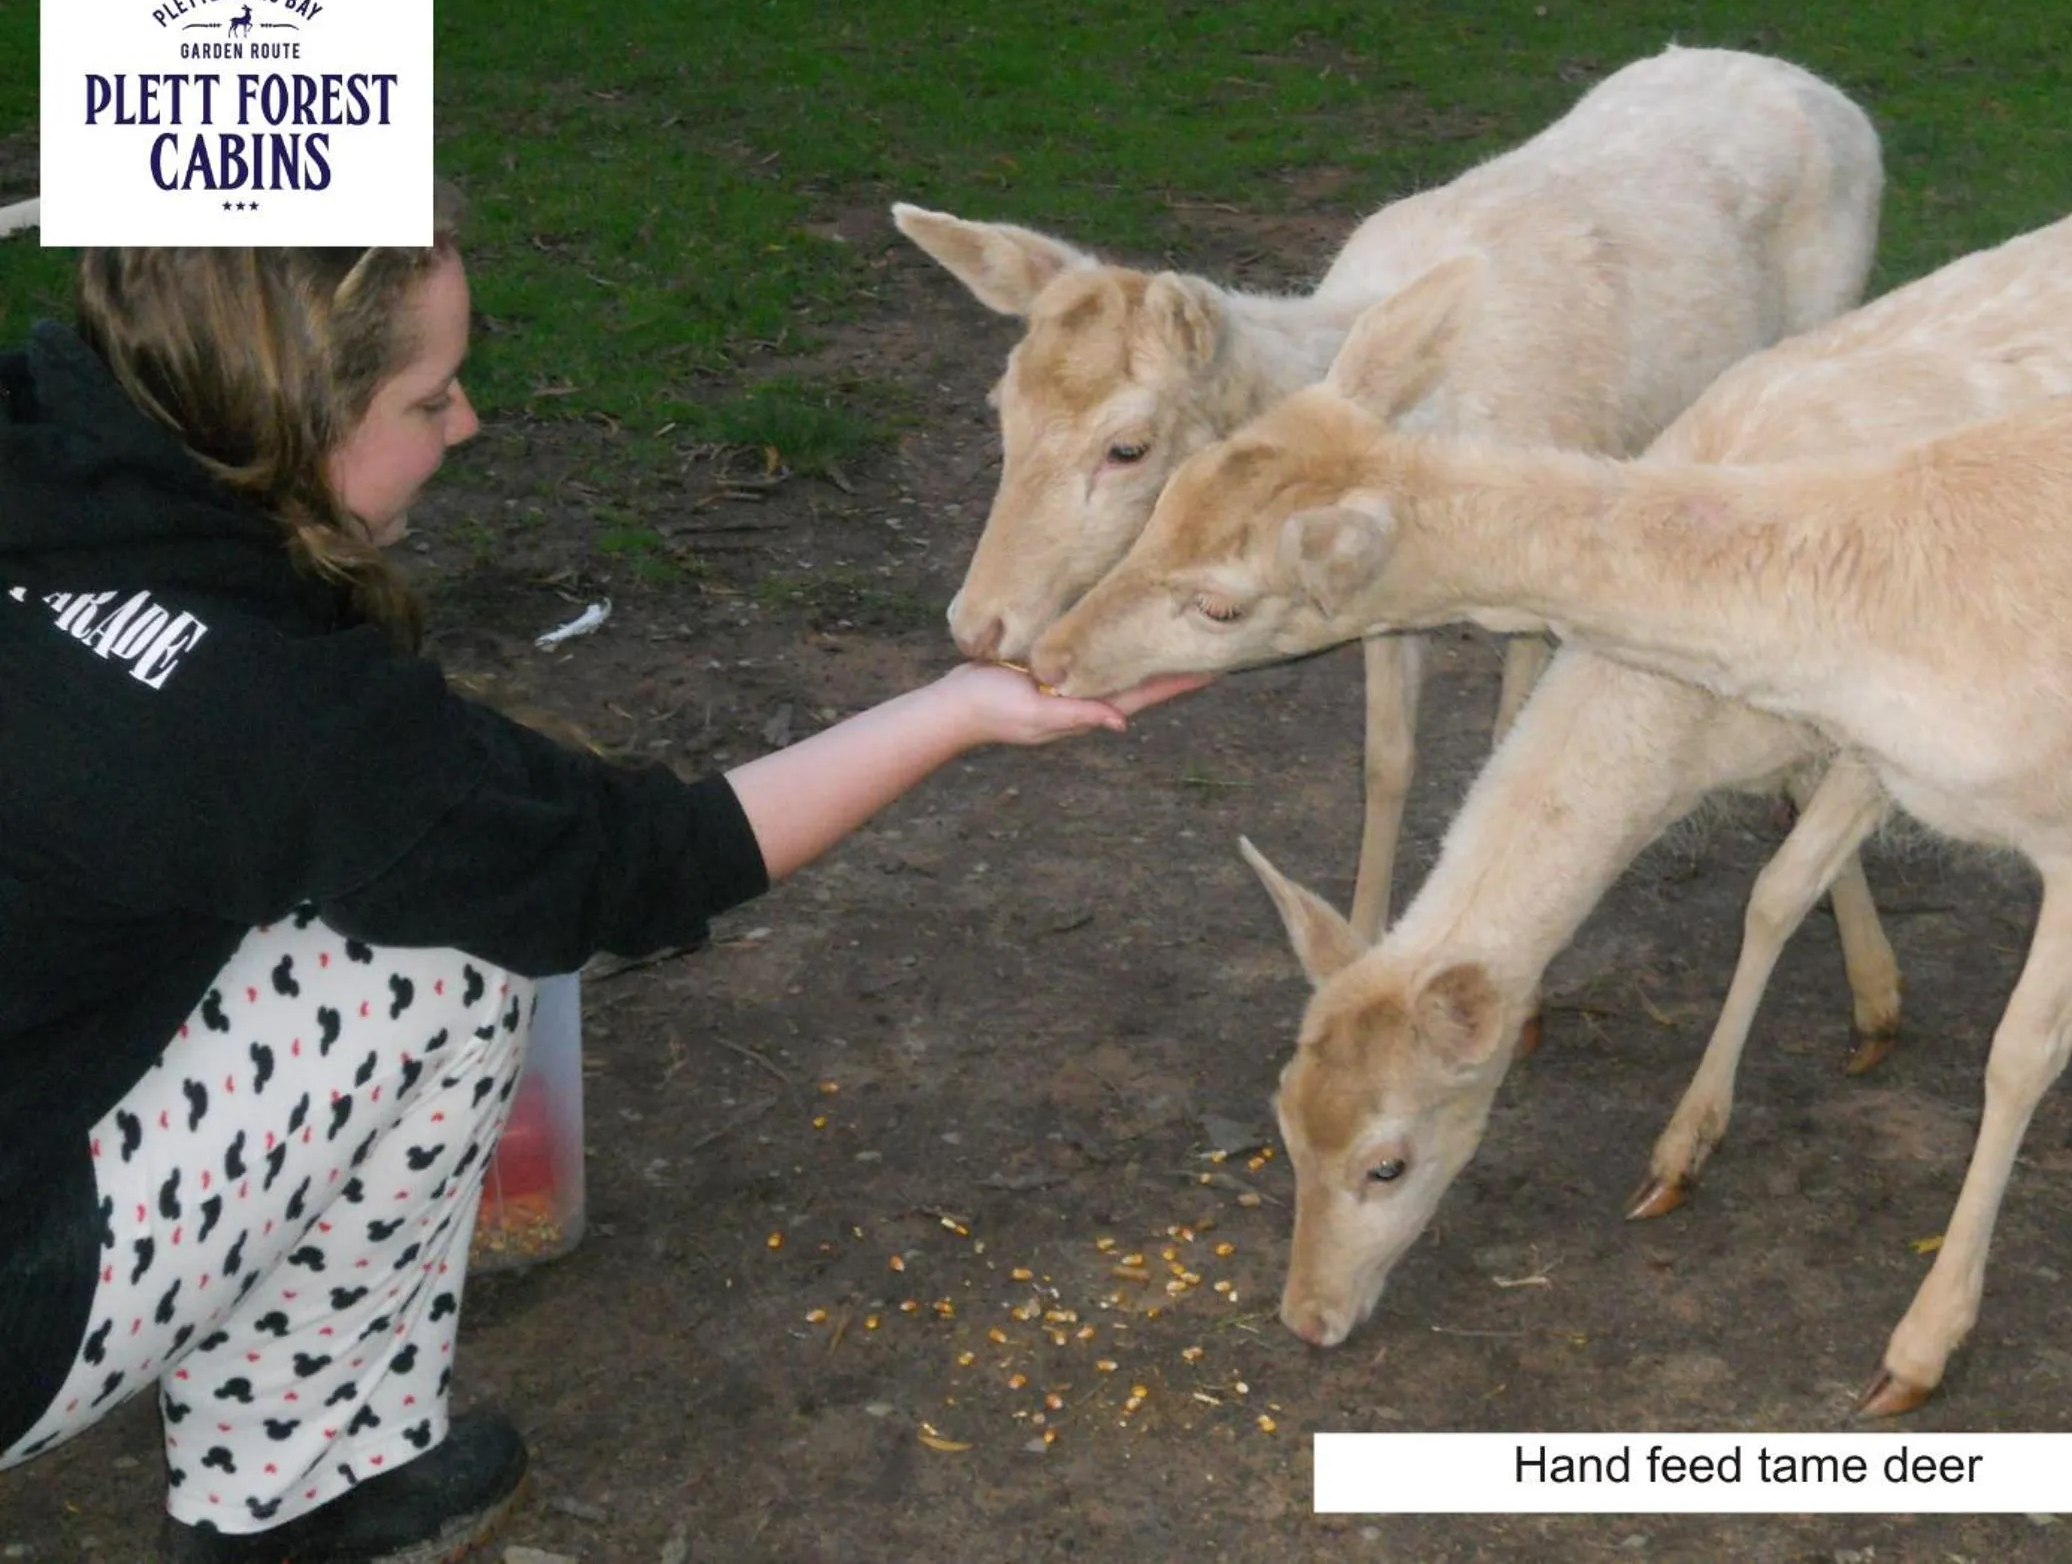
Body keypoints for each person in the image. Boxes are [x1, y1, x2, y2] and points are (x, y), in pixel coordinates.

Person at [0, 190, 1203, 1563]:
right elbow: (636, 863)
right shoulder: (271, 713)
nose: (467, 427)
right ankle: (297, 1497)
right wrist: (954, 710)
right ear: (289, 411)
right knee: (437, 959)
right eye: (432, 396)